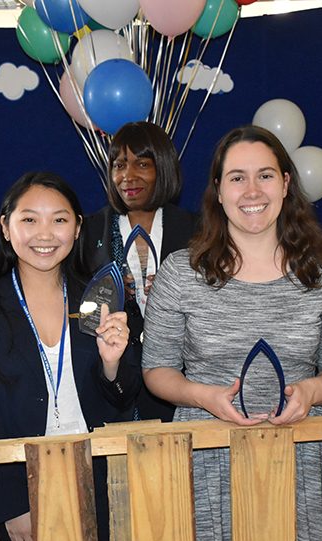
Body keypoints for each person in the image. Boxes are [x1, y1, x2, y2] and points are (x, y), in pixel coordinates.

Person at [142, 125, 322, 541]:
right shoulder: (182, 273)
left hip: (305, 461)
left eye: (265, 175)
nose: (252, 191)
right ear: (218, 192)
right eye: (236, 178)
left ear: (286, 183)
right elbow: (156, 369)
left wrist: (312, 392)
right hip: (206, 460)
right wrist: (203, 396)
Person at [0, 171, 139, 541]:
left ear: (77, 228)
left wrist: (112, 364)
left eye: (58, 220)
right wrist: (14, 502)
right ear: (5, 226)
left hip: (102, 474)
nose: (45, 234)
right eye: (29, 220)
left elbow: (125, 395)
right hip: (26, 482)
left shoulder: (100, 294)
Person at [80, 121, 197, 422]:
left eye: (142, 164)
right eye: (119, 165)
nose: (128, 176)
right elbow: (79, 307)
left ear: (164, 168)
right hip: (114, 389)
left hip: (187, 392)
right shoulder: (89, 232)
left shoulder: (199, 232)